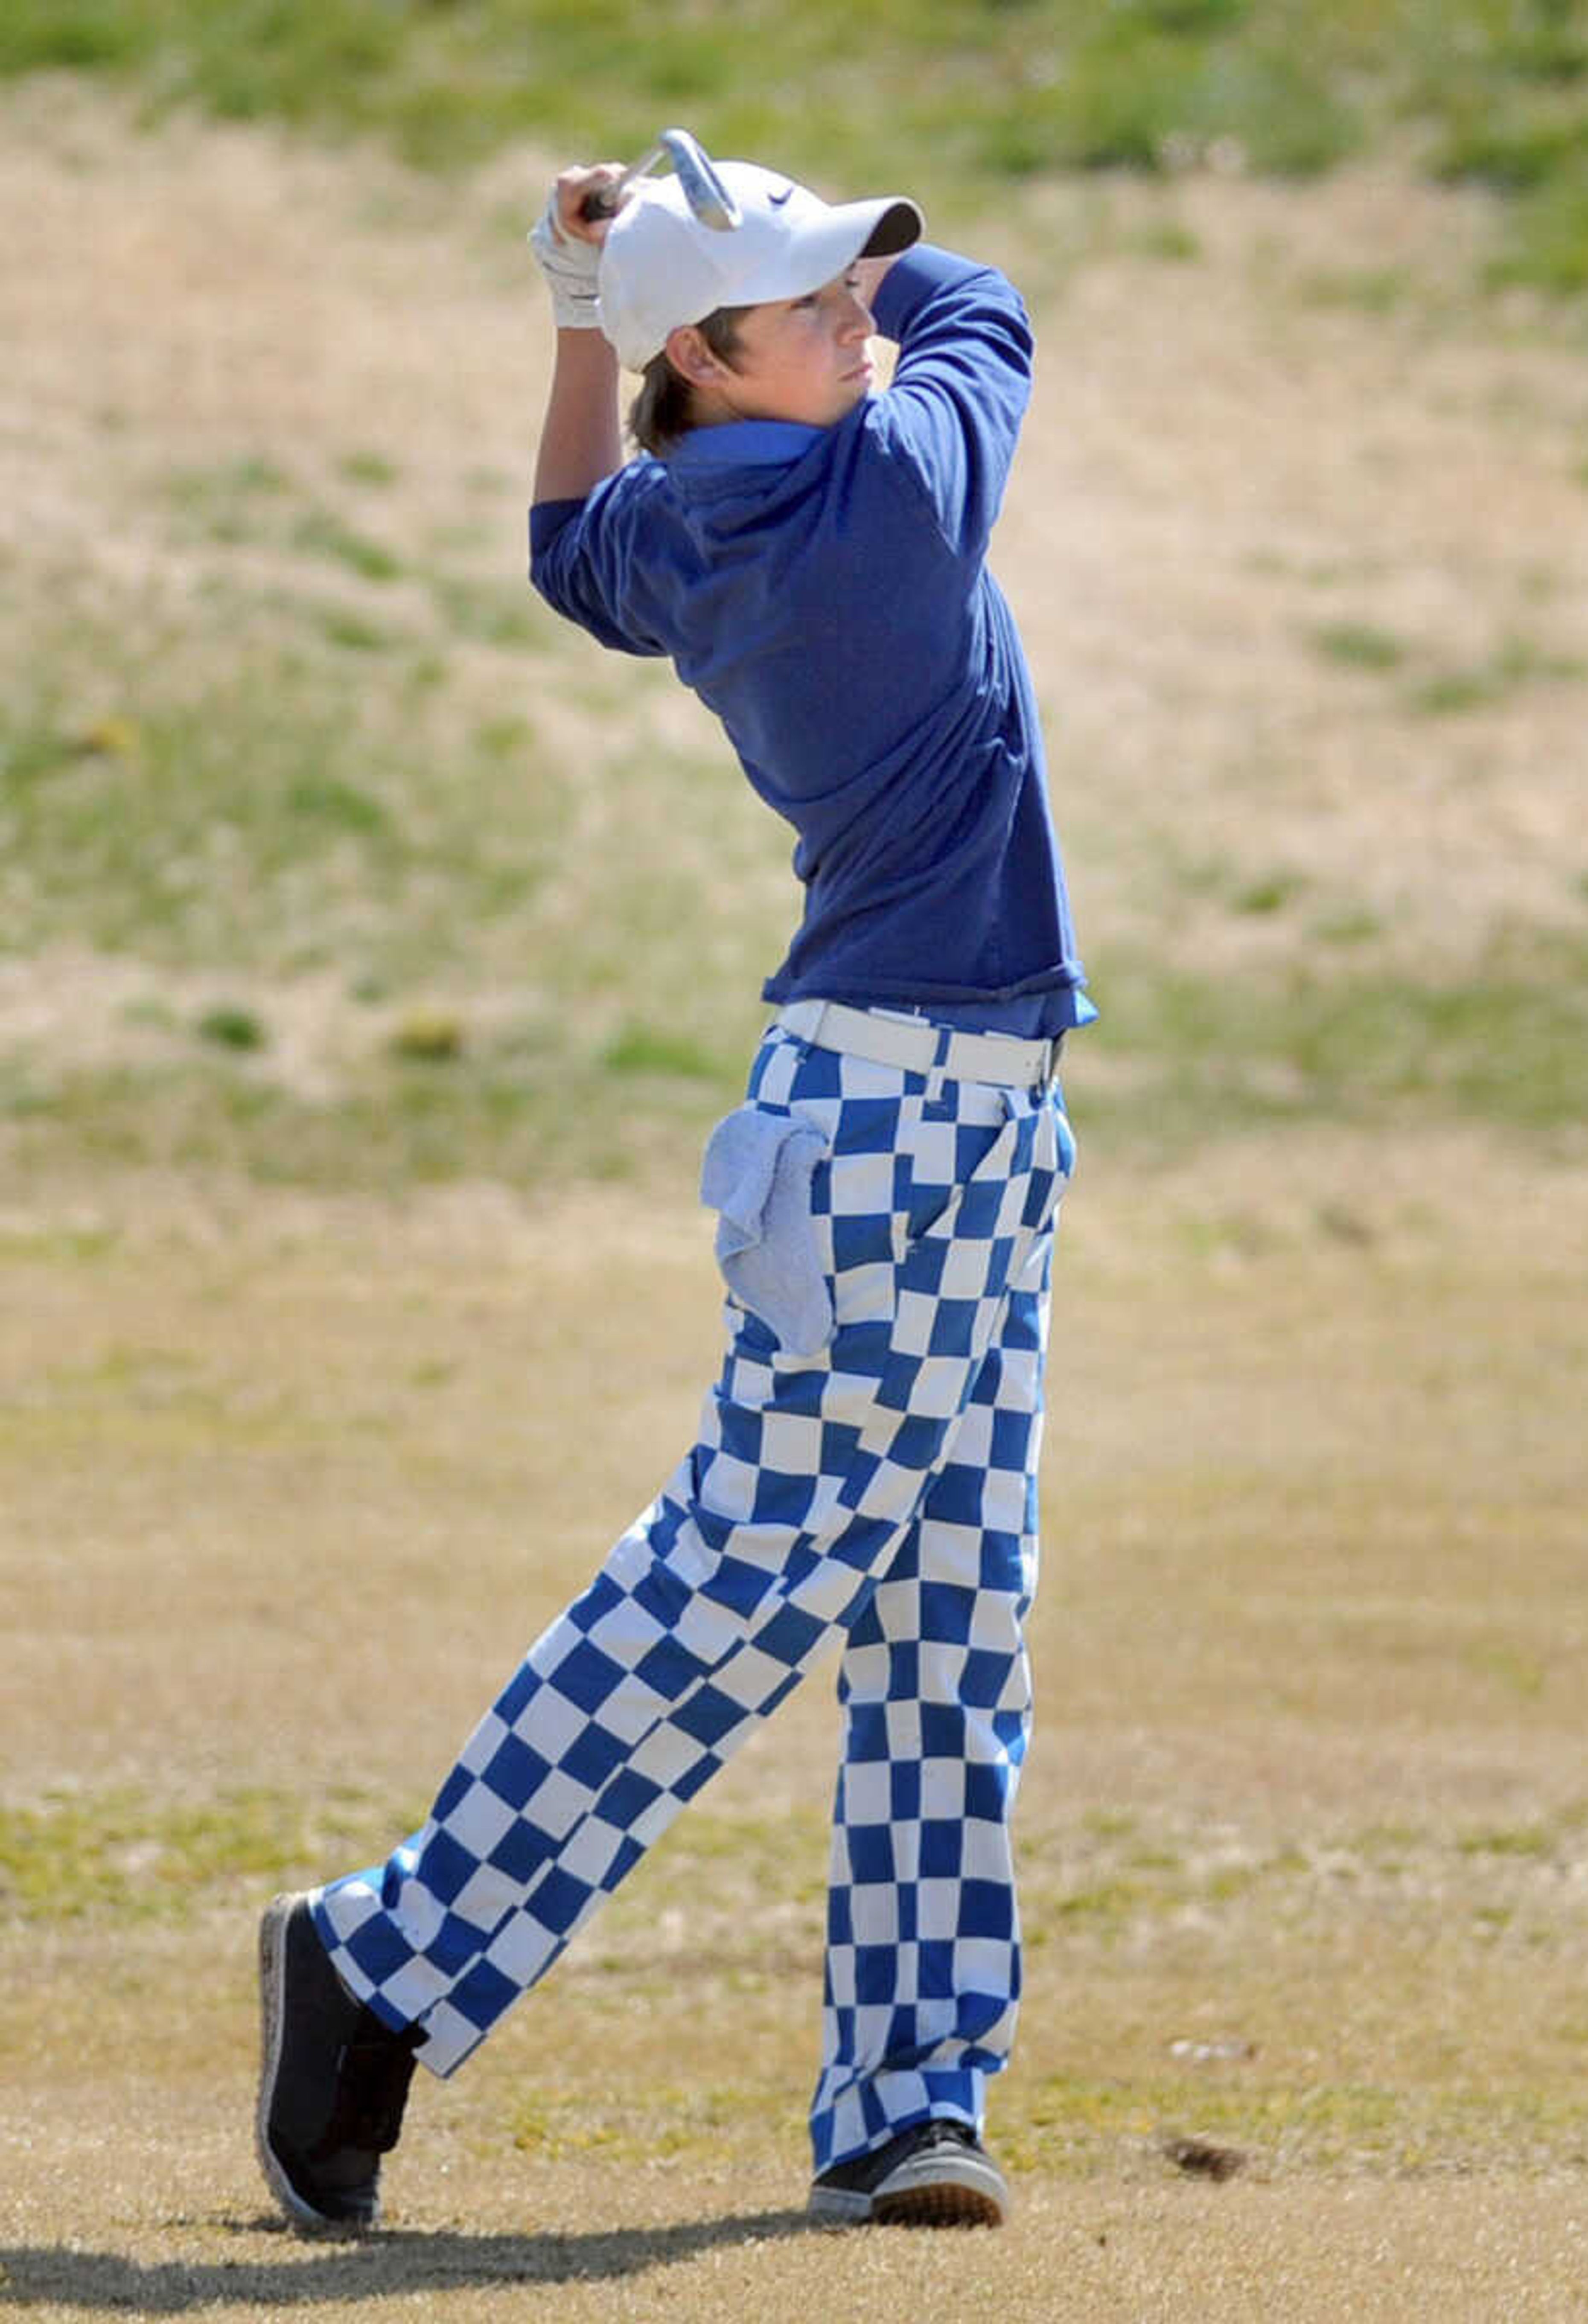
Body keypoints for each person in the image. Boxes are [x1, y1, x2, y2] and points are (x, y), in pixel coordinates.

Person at [256, 137, 1087, 2237]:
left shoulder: (677, 516)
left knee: (948, 1614)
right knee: (737, 1586)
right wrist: (721, 259)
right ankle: (384, 1961)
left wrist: (586, 298)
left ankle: (911, 2098)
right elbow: (987, 305)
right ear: (710, 359)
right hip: (893, 1128)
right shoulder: (890, 494)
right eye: (809, 303)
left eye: (844, 288)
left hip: (961, 1113)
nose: (859, 318)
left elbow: (555, 541)